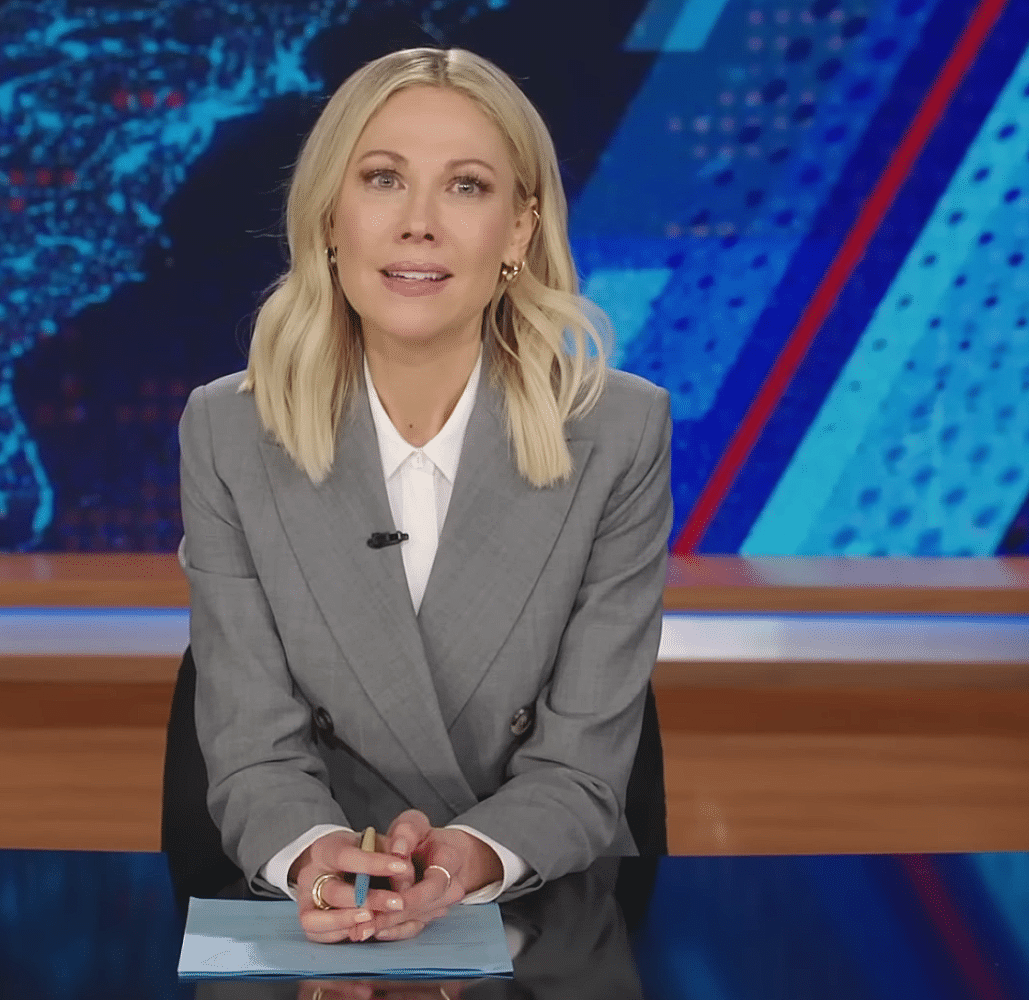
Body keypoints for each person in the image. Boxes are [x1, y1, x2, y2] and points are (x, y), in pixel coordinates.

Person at [177, 45, 671, 945]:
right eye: (383, 179)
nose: (419, 225)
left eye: (466, 187)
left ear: (518, 231)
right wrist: (319, 858)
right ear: (330, 218)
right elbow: (253, 749)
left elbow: (584, 769)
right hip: (311, 918)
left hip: (542, 918)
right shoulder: (228, 433)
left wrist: (461, 860)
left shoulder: (620, 432)